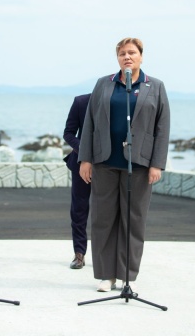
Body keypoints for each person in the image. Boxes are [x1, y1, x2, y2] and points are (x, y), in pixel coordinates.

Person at [78, 37, 170, 292]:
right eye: (122, 54)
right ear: (117, 58)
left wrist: (157, 164)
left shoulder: (155, 86)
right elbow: (90, 122)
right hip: (104, 161)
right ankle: (106, 276)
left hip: (139, 164)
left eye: (132, 53)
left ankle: (127, 275)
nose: (127, 57)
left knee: (133, 220)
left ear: (141, 56)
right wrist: (85, 159)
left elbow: (162, 128)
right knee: (103, 220)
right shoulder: (103, 84)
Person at [62, 93, 92, 269]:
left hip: (108, 165)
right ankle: (79, 253)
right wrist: (85, 150)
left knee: (107, 211)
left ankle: (106, 257)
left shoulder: (117, 101)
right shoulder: (81, 101)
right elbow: (68, 133)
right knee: (79, 209)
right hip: (81, 163)